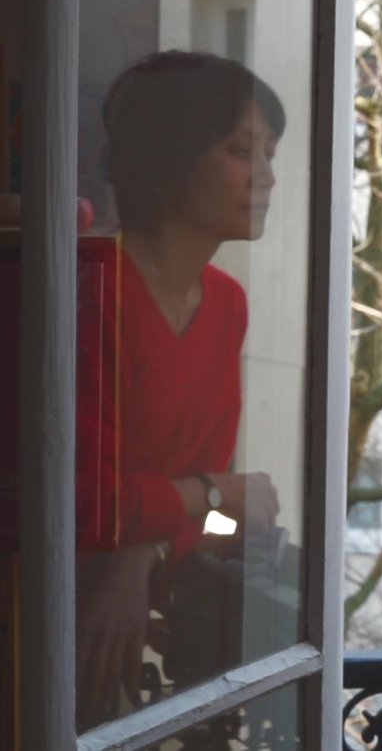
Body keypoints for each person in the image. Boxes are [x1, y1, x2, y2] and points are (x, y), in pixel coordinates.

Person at [75, 51, 284, 728]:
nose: (266, 175)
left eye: (270, 153)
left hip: (119, 635)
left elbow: (217, 519)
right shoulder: (92, 284)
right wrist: (216, 493)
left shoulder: (226, 304)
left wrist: (145, 552)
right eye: (241, 151)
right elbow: (88, 506)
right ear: (172, 156)